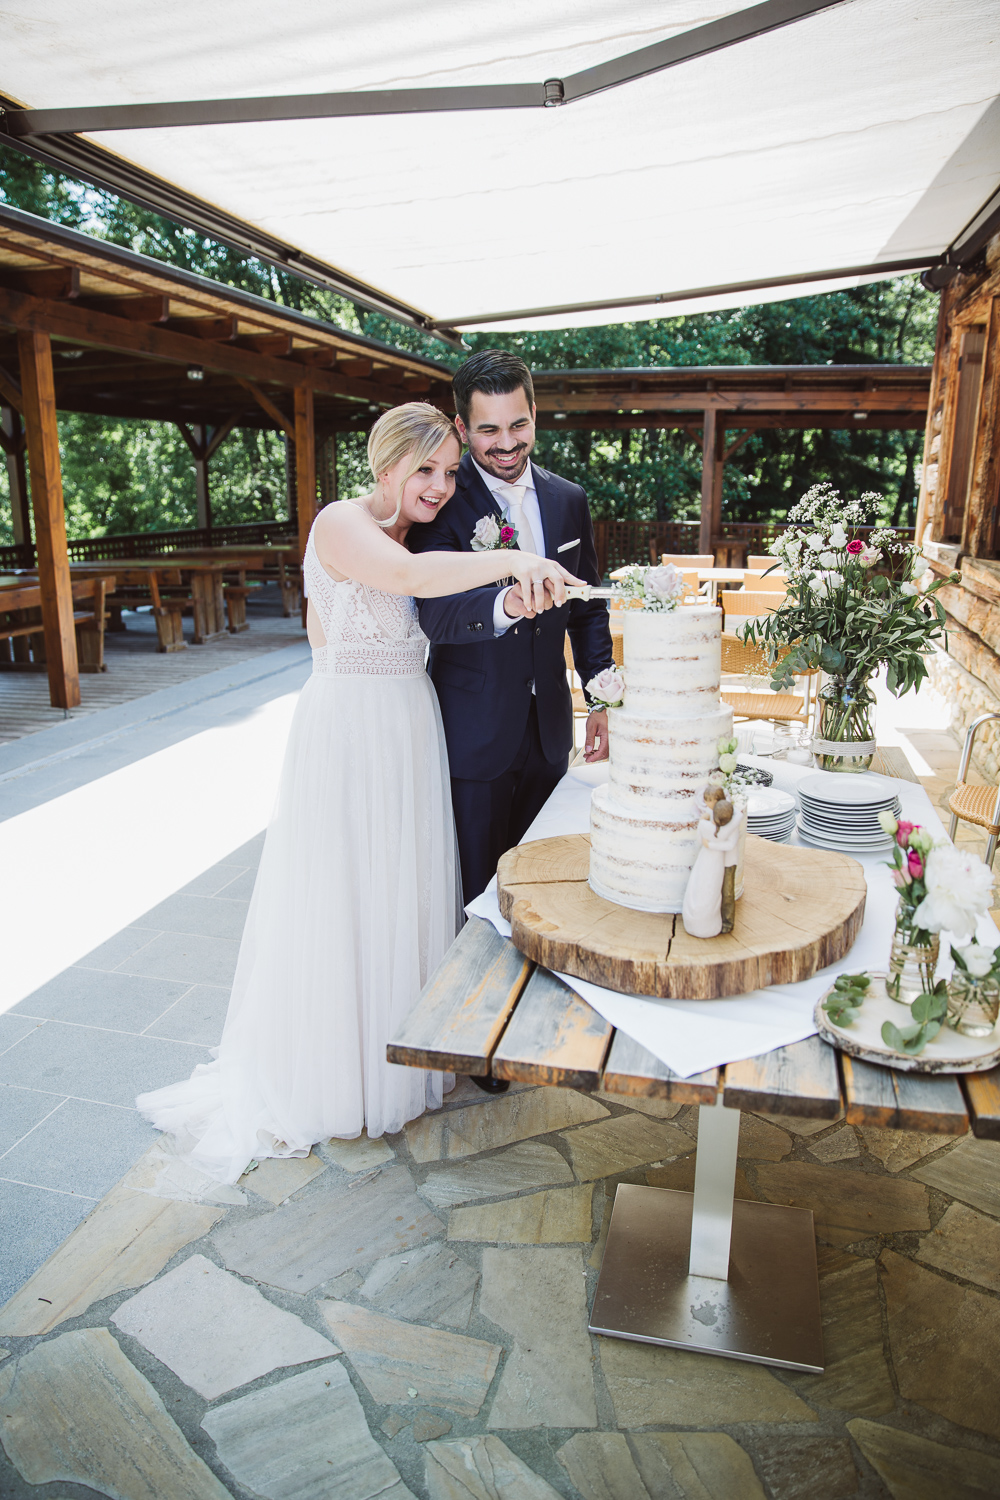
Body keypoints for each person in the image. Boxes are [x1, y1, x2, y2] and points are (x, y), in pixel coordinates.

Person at [137, 403, 579, 1184]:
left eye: (449, 472)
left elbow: (441, 608)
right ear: (386, 466)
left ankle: (398, 1064)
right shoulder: (342, 523)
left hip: (410, 727)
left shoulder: (421, 534)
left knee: (399, 897)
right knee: (342, 899)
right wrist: (513, 561)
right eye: (426, 470)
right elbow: (407, 581)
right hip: (346, 733)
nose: (441, 487)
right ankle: (333, 1076)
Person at [410, 349, 616, 909]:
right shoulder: (441, 504)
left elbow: (588, 607)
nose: (506, 443)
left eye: (518, 424)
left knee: (545, 881)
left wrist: (602, 699)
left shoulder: (569, 499)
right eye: (488, 430)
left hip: (550, 730)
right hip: (472, 731)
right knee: (475, 889)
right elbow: (434, 614)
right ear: (461, 427)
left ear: (535, 413)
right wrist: (507, 606)